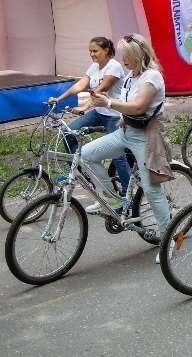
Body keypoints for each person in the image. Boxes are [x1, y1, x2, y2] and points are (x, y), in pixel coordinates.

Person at [82, 34, 170, 262]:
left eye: (126, 57)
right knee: (87, 155)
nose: (123, 61)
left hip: (145, 137)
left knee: (152, 191)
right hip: (125, 132)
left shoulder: (152, 76)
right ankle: (114, 199)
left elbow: (139, 107)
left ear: (137, 55)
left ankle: (168, 238)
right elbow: (125, 107)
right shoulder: (132, 76)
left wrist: (109, 103)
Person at [50, 37, 131, 198]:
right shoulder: (94, 67)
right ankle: (80, 173)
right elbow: (80, 85)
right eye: (90, 51)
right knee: (69, 134)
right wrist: (59, 99)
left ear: (106, 50)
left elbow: (101, 90)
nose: (92, 54)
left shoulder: (113, 67)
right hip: (99, 113)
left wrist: (85, 107)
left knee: (117, 155)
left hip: (115, 115)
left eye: (95, 51)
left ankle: (127, 193)